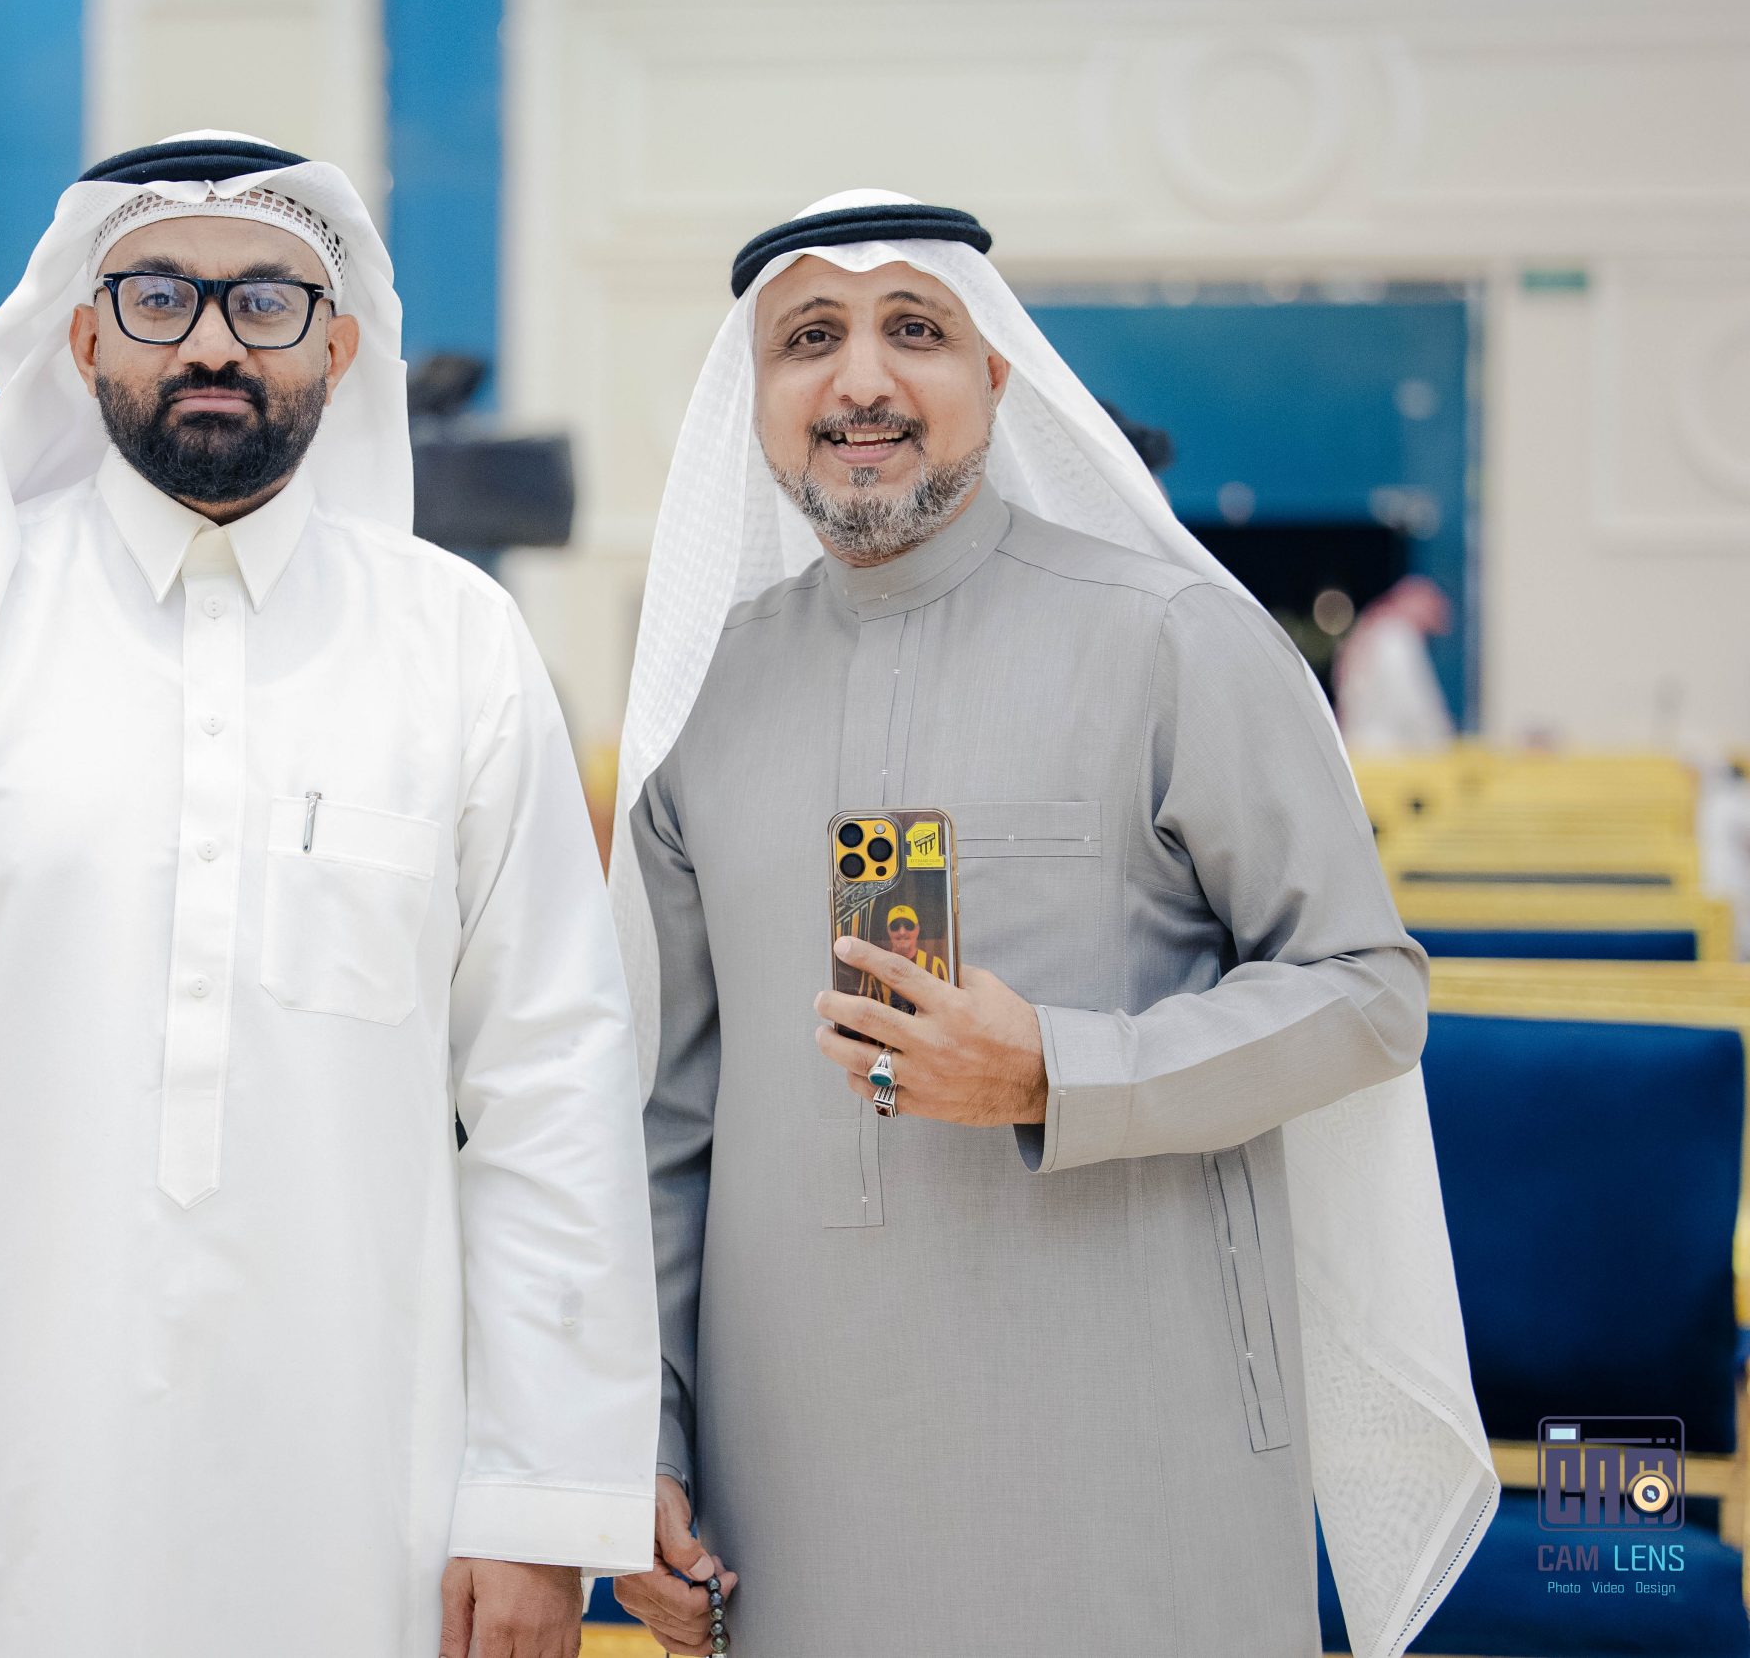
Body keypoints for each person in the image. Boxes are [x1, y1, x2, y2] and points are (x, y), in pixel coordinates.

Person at [0, 133, 657, 1658]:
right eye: (158, 295)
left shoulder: (458, 650)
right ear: (80, 336)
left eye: (265, 299)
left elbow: (550, 1090)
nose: (210, 340)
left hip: (362, 1483)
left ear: (339, 346)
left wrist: (537, 1498)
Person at [608, 193, 1494, 1657]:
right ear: (753, 397)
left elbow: (1365, 989)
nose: (862, 380)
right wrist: (639, 1434)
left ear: (996, 375)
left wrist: (1055, 1071)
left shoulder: (1174, 637)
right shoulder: (702, 697)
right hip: (795, 1476)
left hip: (1132, 1446)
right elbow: (664, 1121)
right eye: (809, 339)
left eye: (914, 329)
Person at [1335, 574, 1458, 752]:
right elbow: (1413, 700)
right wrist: (1440, 740)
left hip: (1359, 746)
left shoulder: (1371, 631)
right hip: (1389, 752)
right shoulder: (1397, 637)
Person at [881, 904, 945, 981]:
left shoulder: (935, 965)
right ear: (888, 930)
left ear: (917, 929)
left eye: (908, 925)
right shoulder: (880, 966)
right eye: (895, 926)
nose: (902, 932)